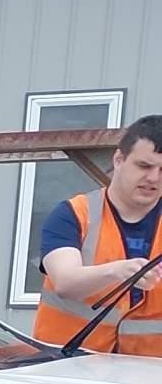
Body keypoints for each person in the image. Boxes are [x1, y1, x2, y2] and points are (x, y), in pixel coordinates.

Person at [34, 114, 162, 353]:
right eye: (144, 166)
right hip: (66, 371)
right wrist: (118, 271)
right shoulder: (73, 215)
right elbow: (65, 282)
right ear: (119, 159)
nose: (153, 178)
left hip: (149, 378)